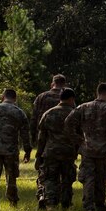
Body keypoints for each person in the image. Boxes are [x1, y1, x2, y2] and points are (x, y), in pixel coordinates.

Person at [65, 82, 106, 211]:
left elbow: (68, 122)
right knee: (101, 178)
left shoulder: (83, 107)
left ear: (97, 92)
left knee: (88, 178)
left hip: (87, 148)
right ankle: (100, 205)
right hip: (102, 149)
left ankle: (88, 206)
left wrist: (78, 139)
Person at [36, 87, 79, 209]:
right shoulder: (75, 114)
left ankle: (50, 202)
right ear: (71, 99)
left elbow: (41, 138)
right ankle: (66, 203)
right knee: (67, 179)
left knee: (50, 179)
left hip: (51, 152)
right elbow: (79, 135)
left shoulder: (48, 113)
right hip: (68, 153)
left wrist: (38, 156)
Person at [31, 74, 66, 203]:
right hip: (63, 141)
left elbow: (34, 118)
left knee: (44, 169)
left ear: (52, 83)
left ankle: (42, 193)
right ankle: (62, 196)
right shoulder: (67, 96)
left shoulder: (41, 97)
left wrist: (34, 137)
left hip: (44, 138)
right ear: (64, 84)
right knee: (63, 169)